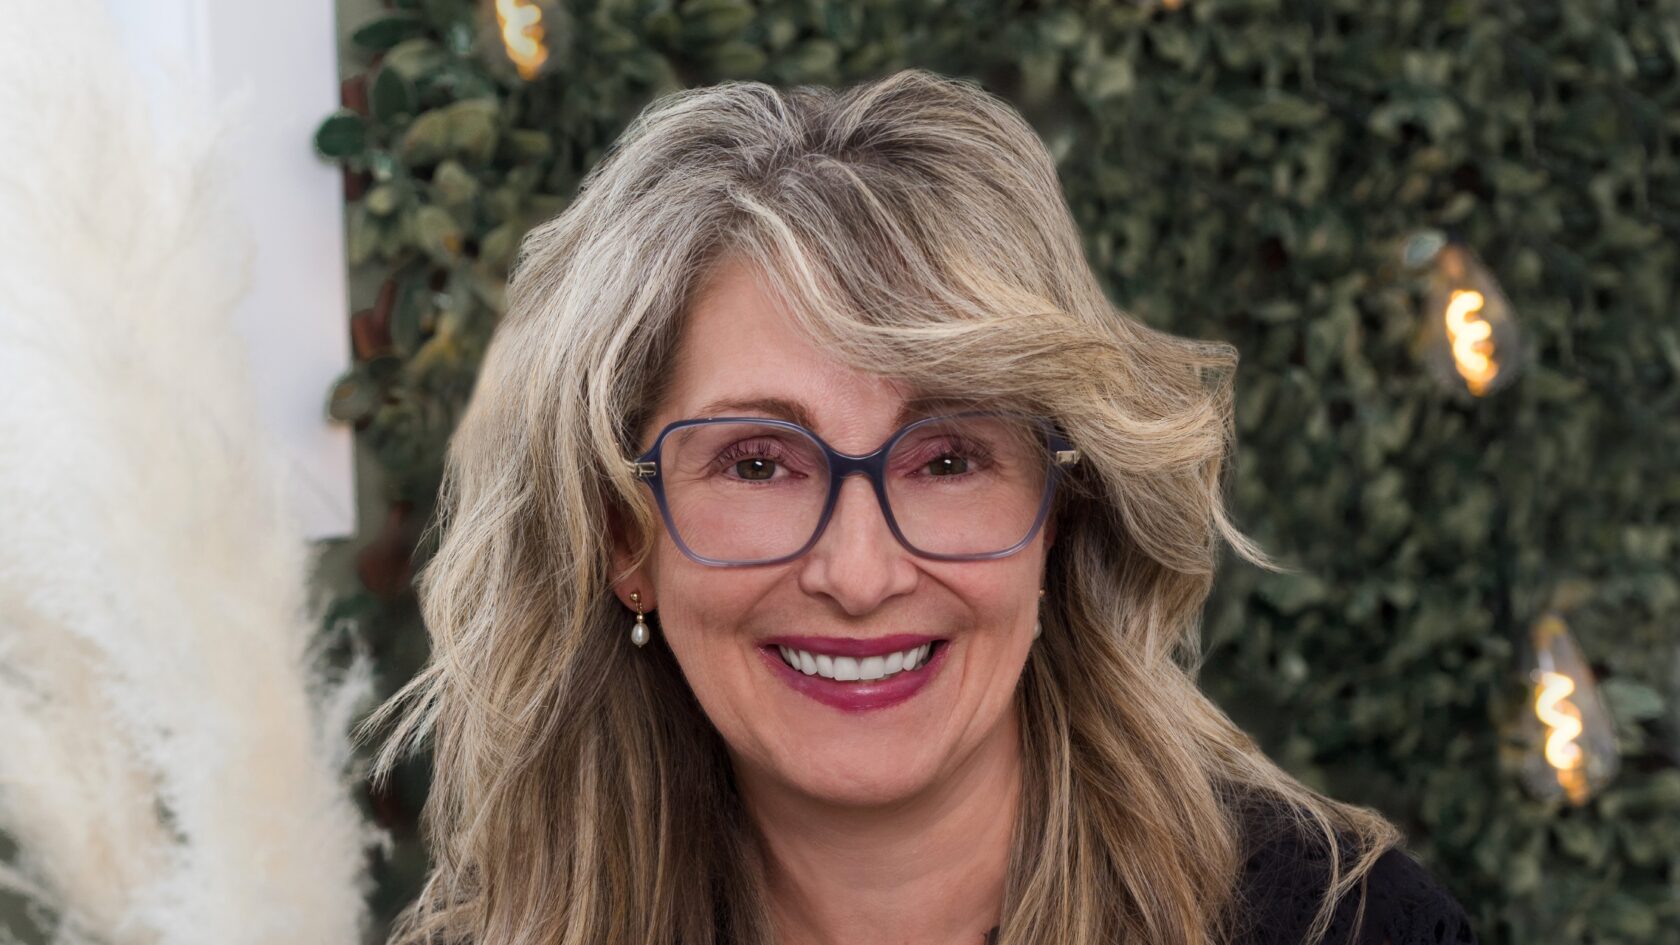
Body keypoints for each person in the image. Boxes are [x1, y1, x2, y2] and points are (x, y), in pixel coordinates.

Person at [364, 68, 1477, 945]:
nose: (859, 574)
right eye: (758, 464)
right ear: (622, 534)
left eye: (947, 460)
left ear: (1060, 511)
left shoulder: (1340, 929)